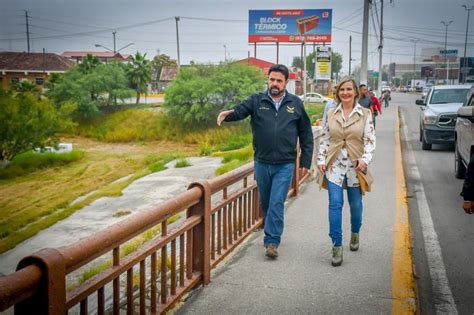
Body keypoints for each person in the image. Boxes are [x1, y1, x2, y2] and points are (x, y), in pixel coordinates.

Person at [217, 64, 314, 259]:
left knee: (277, 201)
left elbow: (306, 134)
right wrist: (227, 115)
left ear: (286, 82)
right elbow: (240, 110)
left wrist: (305, 161)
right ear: (268, 81)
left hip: (285, 164)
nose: (275, 84)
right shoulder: (257, 100)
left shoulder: (295, 103)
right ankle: (271, 229)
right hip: (262, 162)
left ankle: (272, 241)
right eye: (272, 80)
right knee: (266, 202)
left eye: (279, 80)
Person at [316, 77, 376, 267]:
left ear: (355, 92)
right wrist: (320, 159)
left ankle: (355, 233)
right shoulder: (331, 112)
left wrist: (364, 160)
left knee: (356, 205)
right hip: (333, 164)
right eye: (342, 89)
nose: (345, 93)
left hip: (355, 165)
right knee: (335, 204)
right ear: (338, 92)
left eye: (349, 89)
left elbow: (370, 140)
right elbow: (325, 138)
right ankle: (336, 246)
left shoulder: (365, 114)